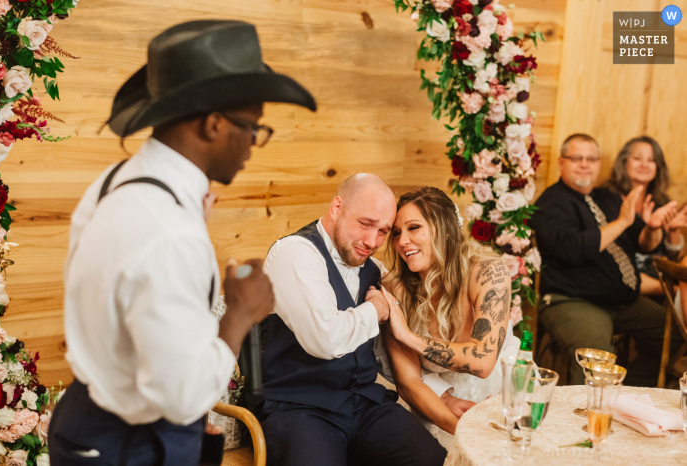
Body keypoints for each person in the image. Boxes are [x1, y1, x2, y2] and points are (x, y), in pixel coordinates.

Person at [50, 20, 317, 466]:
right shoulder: (167, 230)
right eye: (253, 127)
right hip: (130, 443)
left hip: (89, 418)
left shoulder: (117, 181)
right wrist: (241, 312)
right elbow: (183, 397)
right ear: (213, 124)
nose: (254, 144)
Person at [255, 174, 447, 466]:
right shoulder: (294, 252)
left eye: (383, 231)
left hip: (364, 405)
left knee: (431, 459)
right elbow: (325, 338)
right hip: (300, 408)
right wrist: (375, 310)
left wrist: (441, 392)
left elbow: (386, 355)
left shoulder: (373, 269)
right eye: (365, 224)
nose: (372, 241)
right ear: (336, 208)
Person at [529, 133, 686, 386]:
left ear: (599, 163)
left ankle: (624, 392)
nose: (585, 164)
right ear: (561, 162)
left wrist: (653, 226)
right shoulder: (551, 202)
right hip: (572, 300)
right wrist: (622, 221)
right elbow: (574, 249)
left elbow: (643, 244)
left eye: (591, 159)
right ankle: (582, 416)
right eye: (577, 158)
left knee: (676, 338)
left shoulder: (607, 198)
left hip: (624, 301)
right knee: (596, 358)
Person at [379, 187, 518, 457]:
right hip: (435, 404)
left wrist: (408, 337)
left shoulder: (488, 271)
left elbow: (483, 361)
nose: (403, 241)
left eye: (414, 228)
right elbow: (408, 381)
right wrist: (465, 434)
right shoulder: (395, 289)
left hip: (500, 393)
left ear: (444, 228)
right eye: (397, 233)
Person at [605, 136, 687, 296]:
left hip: (660, 280)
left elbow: (674, 259)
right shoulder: (605, 198)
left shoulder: (662, 203)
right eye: (637, 158)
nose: (644, 165)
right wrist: (674, 291)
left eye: (651, 160)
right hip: (621, 281)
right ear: (624, 162)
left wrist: (673, 232)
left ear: (658, 167)